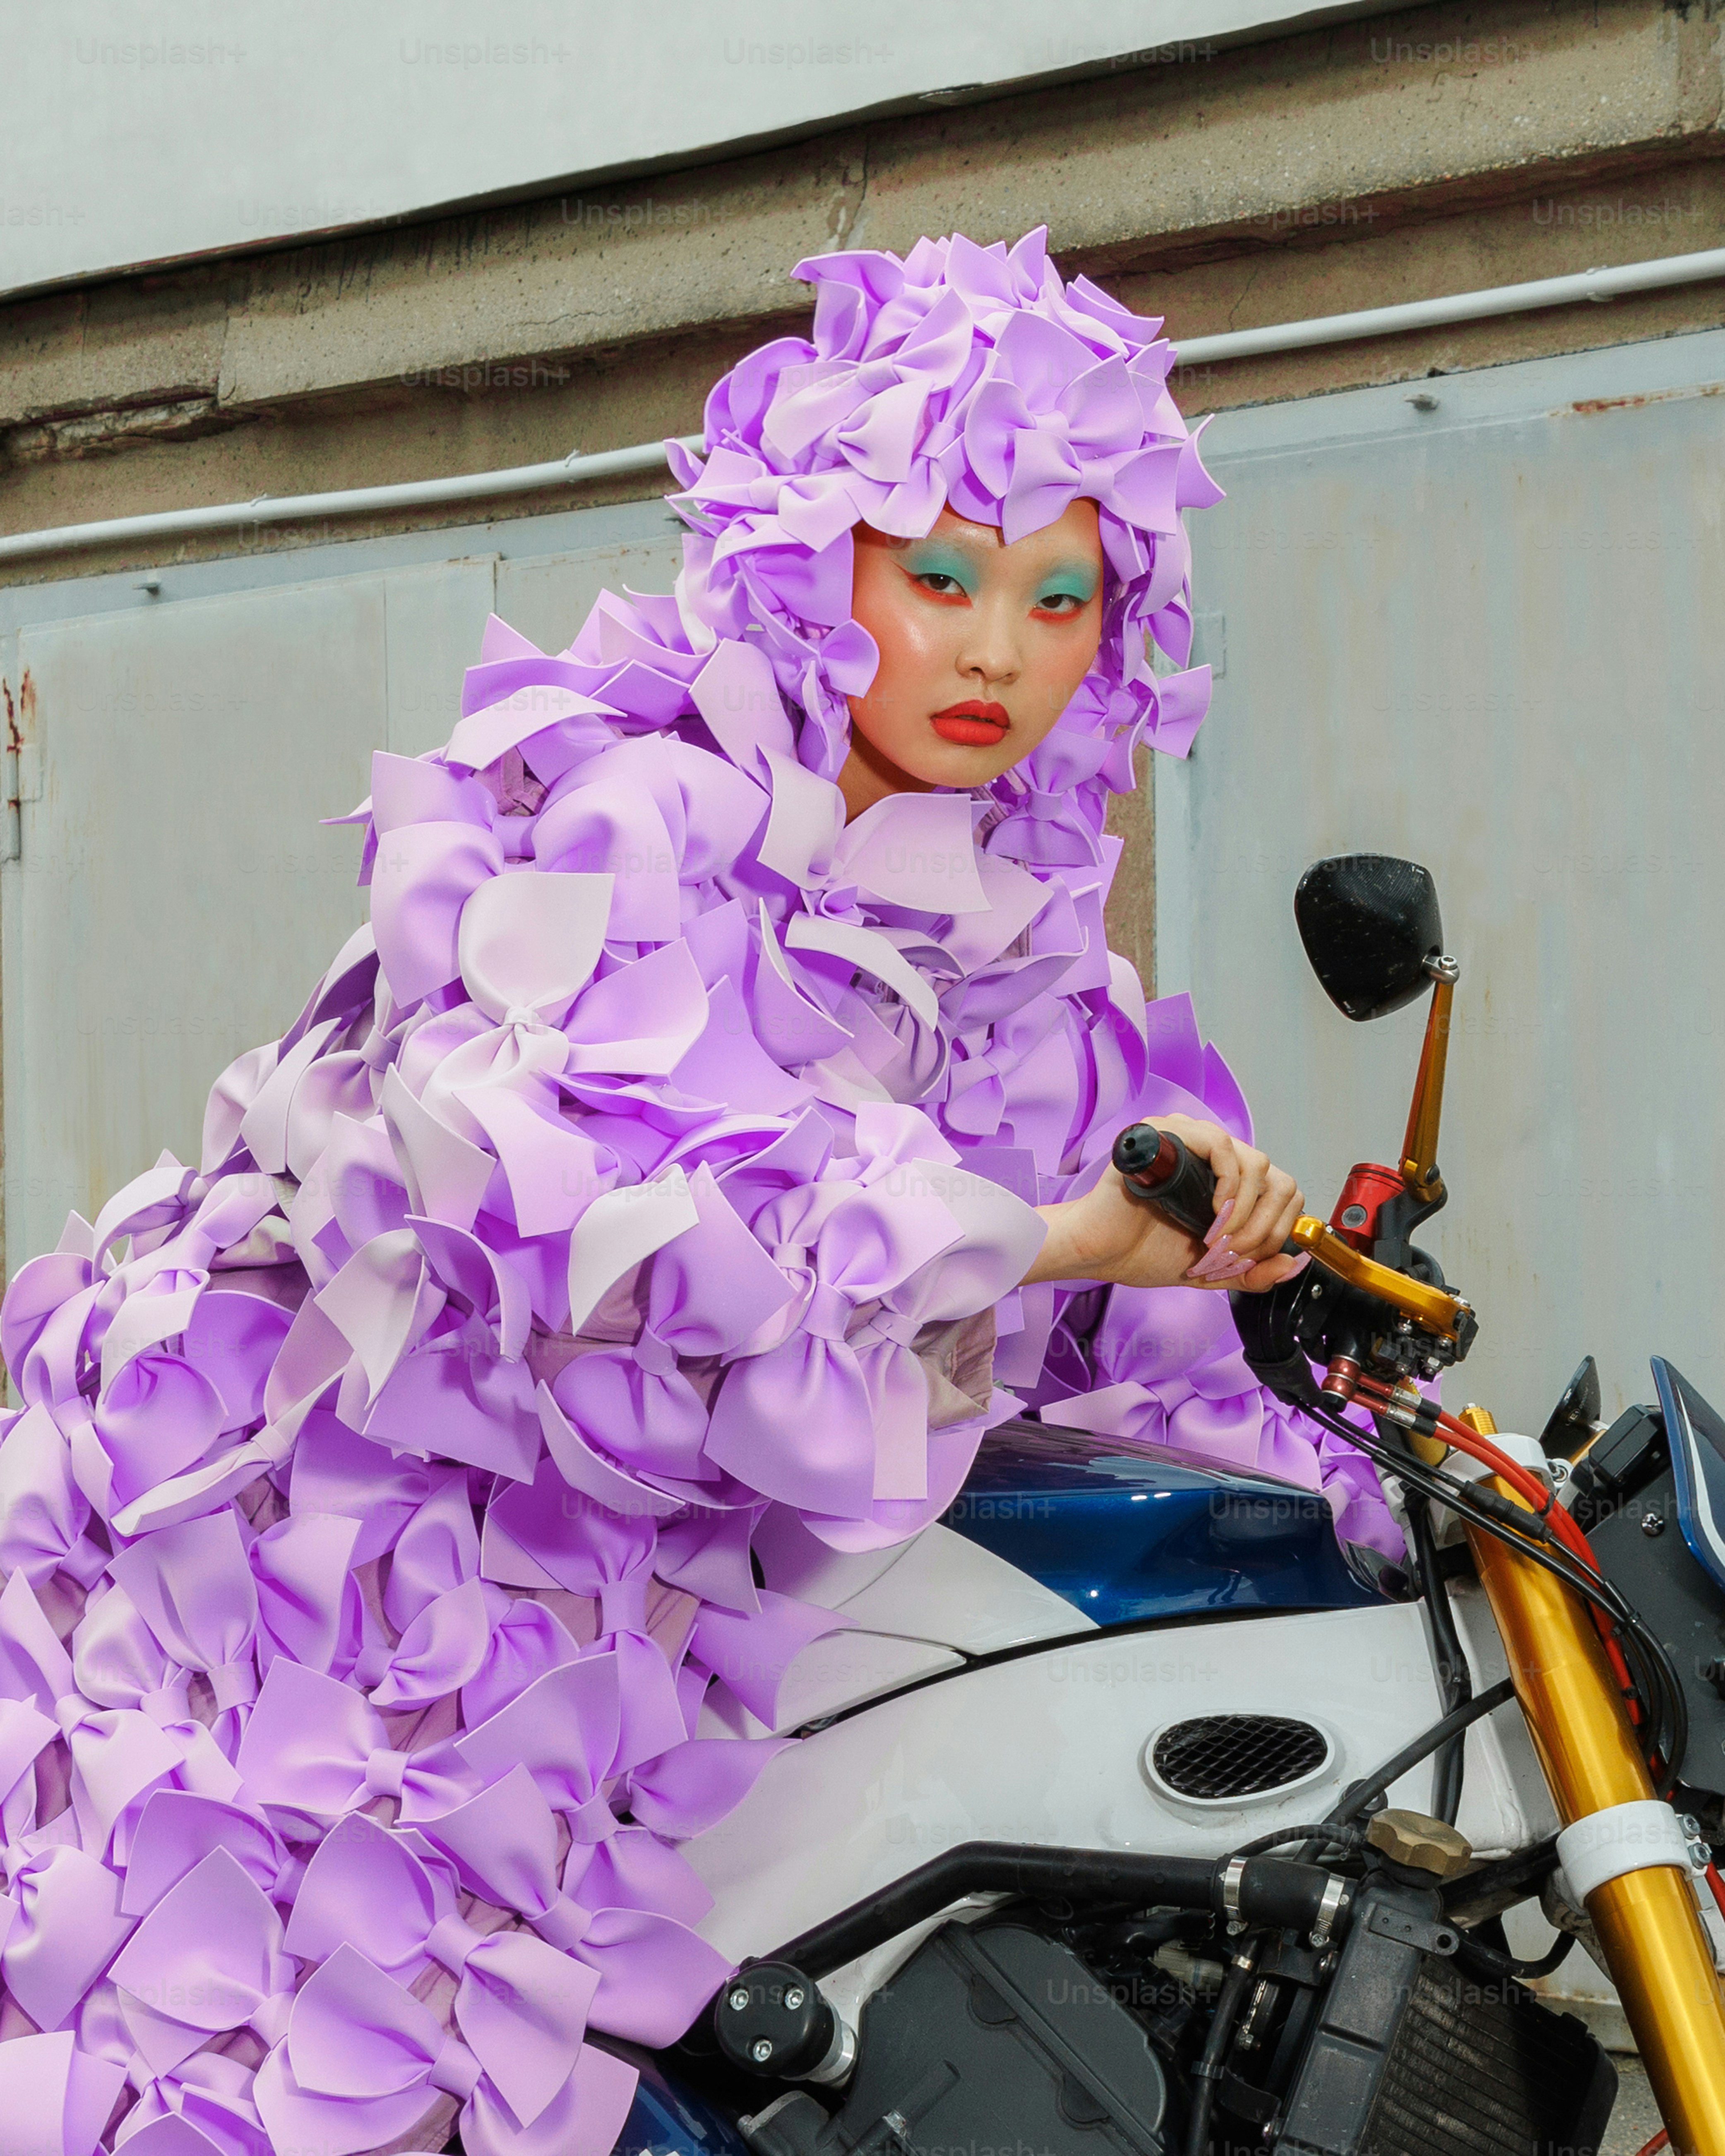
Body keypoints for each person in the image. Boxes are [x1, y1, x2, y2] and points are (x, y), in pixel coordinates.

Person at [0, 228, 1393, 2156]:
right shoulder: (634, 802)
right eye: (941, 575)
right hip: (356, 1563)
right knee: (324, 2064)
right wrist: (1044, 1235)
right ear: (815, 553)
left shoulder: (1016, 926)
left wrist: (1206, 1232)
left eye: (1062, 594)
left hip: (638, 1628)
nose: (998, 647)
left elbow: (1037, 1256)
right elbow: (622, 1217)